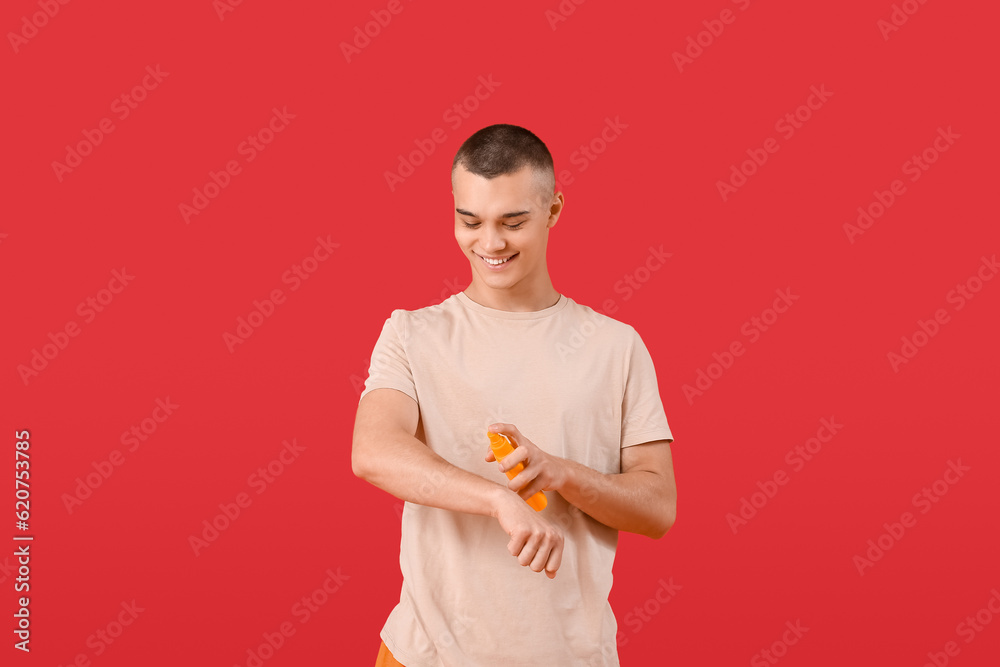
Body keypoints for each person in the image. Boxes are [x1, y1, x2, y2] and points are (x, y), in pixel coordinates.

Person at [352, 123, 677, 666]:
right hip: (425, 656)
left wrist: (561, 473)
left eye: (512, 222)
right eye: (470, 221)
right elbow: (373, 452)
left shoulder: (616, 347)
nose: (490, 243)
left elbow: (658, 508)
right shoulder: (411, 333)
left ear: (552, 212)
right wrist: (500, 500)